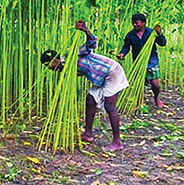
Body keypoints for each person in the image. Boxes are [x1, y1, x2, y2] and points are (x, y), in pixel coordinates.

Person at [41, 20, 129, 151]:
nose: (50, 69)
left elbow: (92, 43)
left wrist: (85, 30)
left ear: (55, 60)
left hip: (111, 72)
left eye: (49, 65)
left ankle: (117, 141)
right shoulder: (64, 68)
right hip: (101, 78)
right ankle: (88, 134)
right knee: (90, 100)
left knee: (109, 106)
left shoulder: (72, 55)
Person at [117, 13, 166, 108]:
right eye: (133, 23)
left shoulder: (151, 33)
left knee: (155, 84)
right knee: (139, 84)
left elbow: (162, 43)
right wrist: (122, 54)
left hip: (151, 61)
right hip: (138, 62)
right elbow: (126, 47)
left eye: (137, 23)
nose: (135, 25)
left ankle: (157, 98)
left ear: (143, 23)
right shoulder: (130, 35)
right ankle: (139, 101)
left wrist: (160, 33)